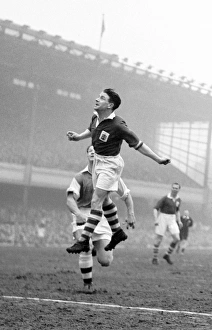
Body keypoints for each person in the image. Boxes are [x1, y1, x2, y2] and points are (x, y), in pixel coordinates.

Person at [66, 88, 170, 254]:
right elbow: (91, 130)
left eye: (102, 98)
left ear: (110, 105)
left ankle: (84, 240)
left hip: (110, 165)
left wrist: (158, 159)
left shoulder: (118, 126)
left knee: (96, 201)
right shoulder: (95, 117)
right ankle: (118, 232)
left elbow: (139, 144)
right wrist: (78, 137)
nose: (97, 99)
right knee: (105, 201)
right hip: (98, 163)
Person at [66, 145, 136, 292]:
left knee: (106, 261)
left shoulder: (110, 175)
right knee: (84, 246)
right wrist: (78, 214)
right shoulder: (80, 177)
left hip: (102, 216)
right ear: (87, 155)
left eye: (95, 150)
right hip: (83, 213)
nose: (92, 152)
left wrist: (130, 214)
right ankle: (87, 285)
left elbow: (127, 195)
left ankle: (95, 249)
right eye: (89, 151)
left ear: (100, 154)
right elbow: (70, 200)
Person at [152, 182, 183, 265]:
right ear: (171, 188)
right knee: (159, 239)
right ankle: (154, 258)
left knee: (177, 238)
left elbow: (177, 210)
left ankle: (167, 255)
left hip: (172, 218)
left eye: (176, 188)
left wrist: (179, 220)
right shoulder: (165, 198)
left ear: (179, 189)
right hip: (163, 217)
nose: (174, 189)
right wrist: (156, 219)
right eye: (173, 187)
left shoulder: (178, 199)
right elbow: (155, 208)